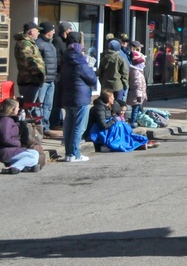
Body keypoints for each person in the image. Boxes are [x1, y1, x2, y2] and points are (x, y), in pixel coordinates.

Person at [58, 35, 97, 163]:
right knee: (79, 127)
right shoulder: (80, 62)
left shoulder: (64, 60)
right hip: (80, 98)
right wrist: (90, 66)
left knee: (68, 126)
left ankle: (68, 153)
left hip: (67, 96)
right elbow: (92, 78)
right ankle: (75, 153)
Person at [0, 98, 44, 174]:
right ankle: (14, 168)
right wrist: (18, 143)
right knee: (33, 156)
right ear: (12, 109)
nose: (19, 109)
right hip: (2, 151)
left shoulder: (10, 119)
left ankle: (21, 167)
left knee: (34, 153)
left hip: (9, 150)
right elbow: (5, 139)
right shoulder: (5, 121)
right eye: (17, 107)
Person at [13, 21, 46, 106]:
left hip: (33, 81)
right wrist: (39, 74)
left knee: (34, 106)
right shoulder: (24, 43)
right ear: (31, 32)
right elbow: (28, 61)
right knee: (28, 107)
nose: (38, 32)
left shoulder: (30, 43)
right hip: (29, 81)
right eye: (37, 30)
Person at [34, 22, 58, 134]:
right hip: (43, 80)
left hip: (51, 80)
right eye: (52, 30)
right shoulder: (39, 44)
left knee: (48, 105)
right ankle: (40, 126)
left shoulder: (51, 44)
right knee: (39, 103)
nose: (54, 32)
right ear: (47, 31)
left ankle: (46, 127)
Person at [98, 40, 129, 106]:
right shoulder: (120, 59)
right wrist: (125, 84)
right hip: (117, 86)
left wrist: (102, 82)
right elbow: (125, 74)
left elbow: (99, 73)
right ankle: (116, 116)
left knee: (105, 104)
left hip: (105, 85)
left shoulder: (103, 58)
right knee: (117, 105)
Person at [127, 42, 148, 126]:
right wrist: (139, 96)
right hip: (137, 95)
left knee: (138, 108)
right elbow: (137, 84)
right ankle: (133, 121)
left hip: (139, 94)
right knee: (135, 108)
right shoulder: (137, 73)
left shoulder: (138, 71)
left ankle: (138, 120)